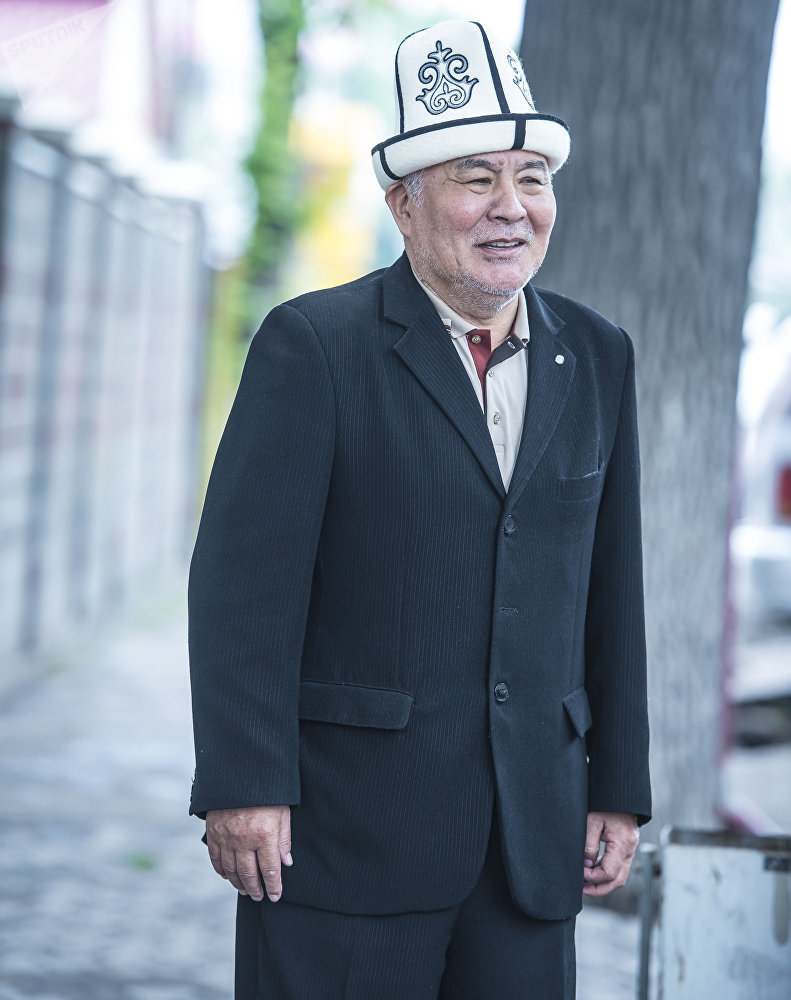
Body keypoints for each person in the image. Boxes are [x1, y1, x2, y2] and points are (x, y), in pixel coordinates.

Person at [188, 19, 651, 1000]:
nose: (510, 207)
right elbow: (243, 588)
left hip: (532, 839)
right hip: (345, 839)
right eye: (475, 178)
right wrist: (243, 784)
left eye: (531, 178)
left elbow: (612, 586)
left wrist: (616, 784)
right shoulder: (314, 346)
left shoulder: (596, 354)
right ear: (403, 204)